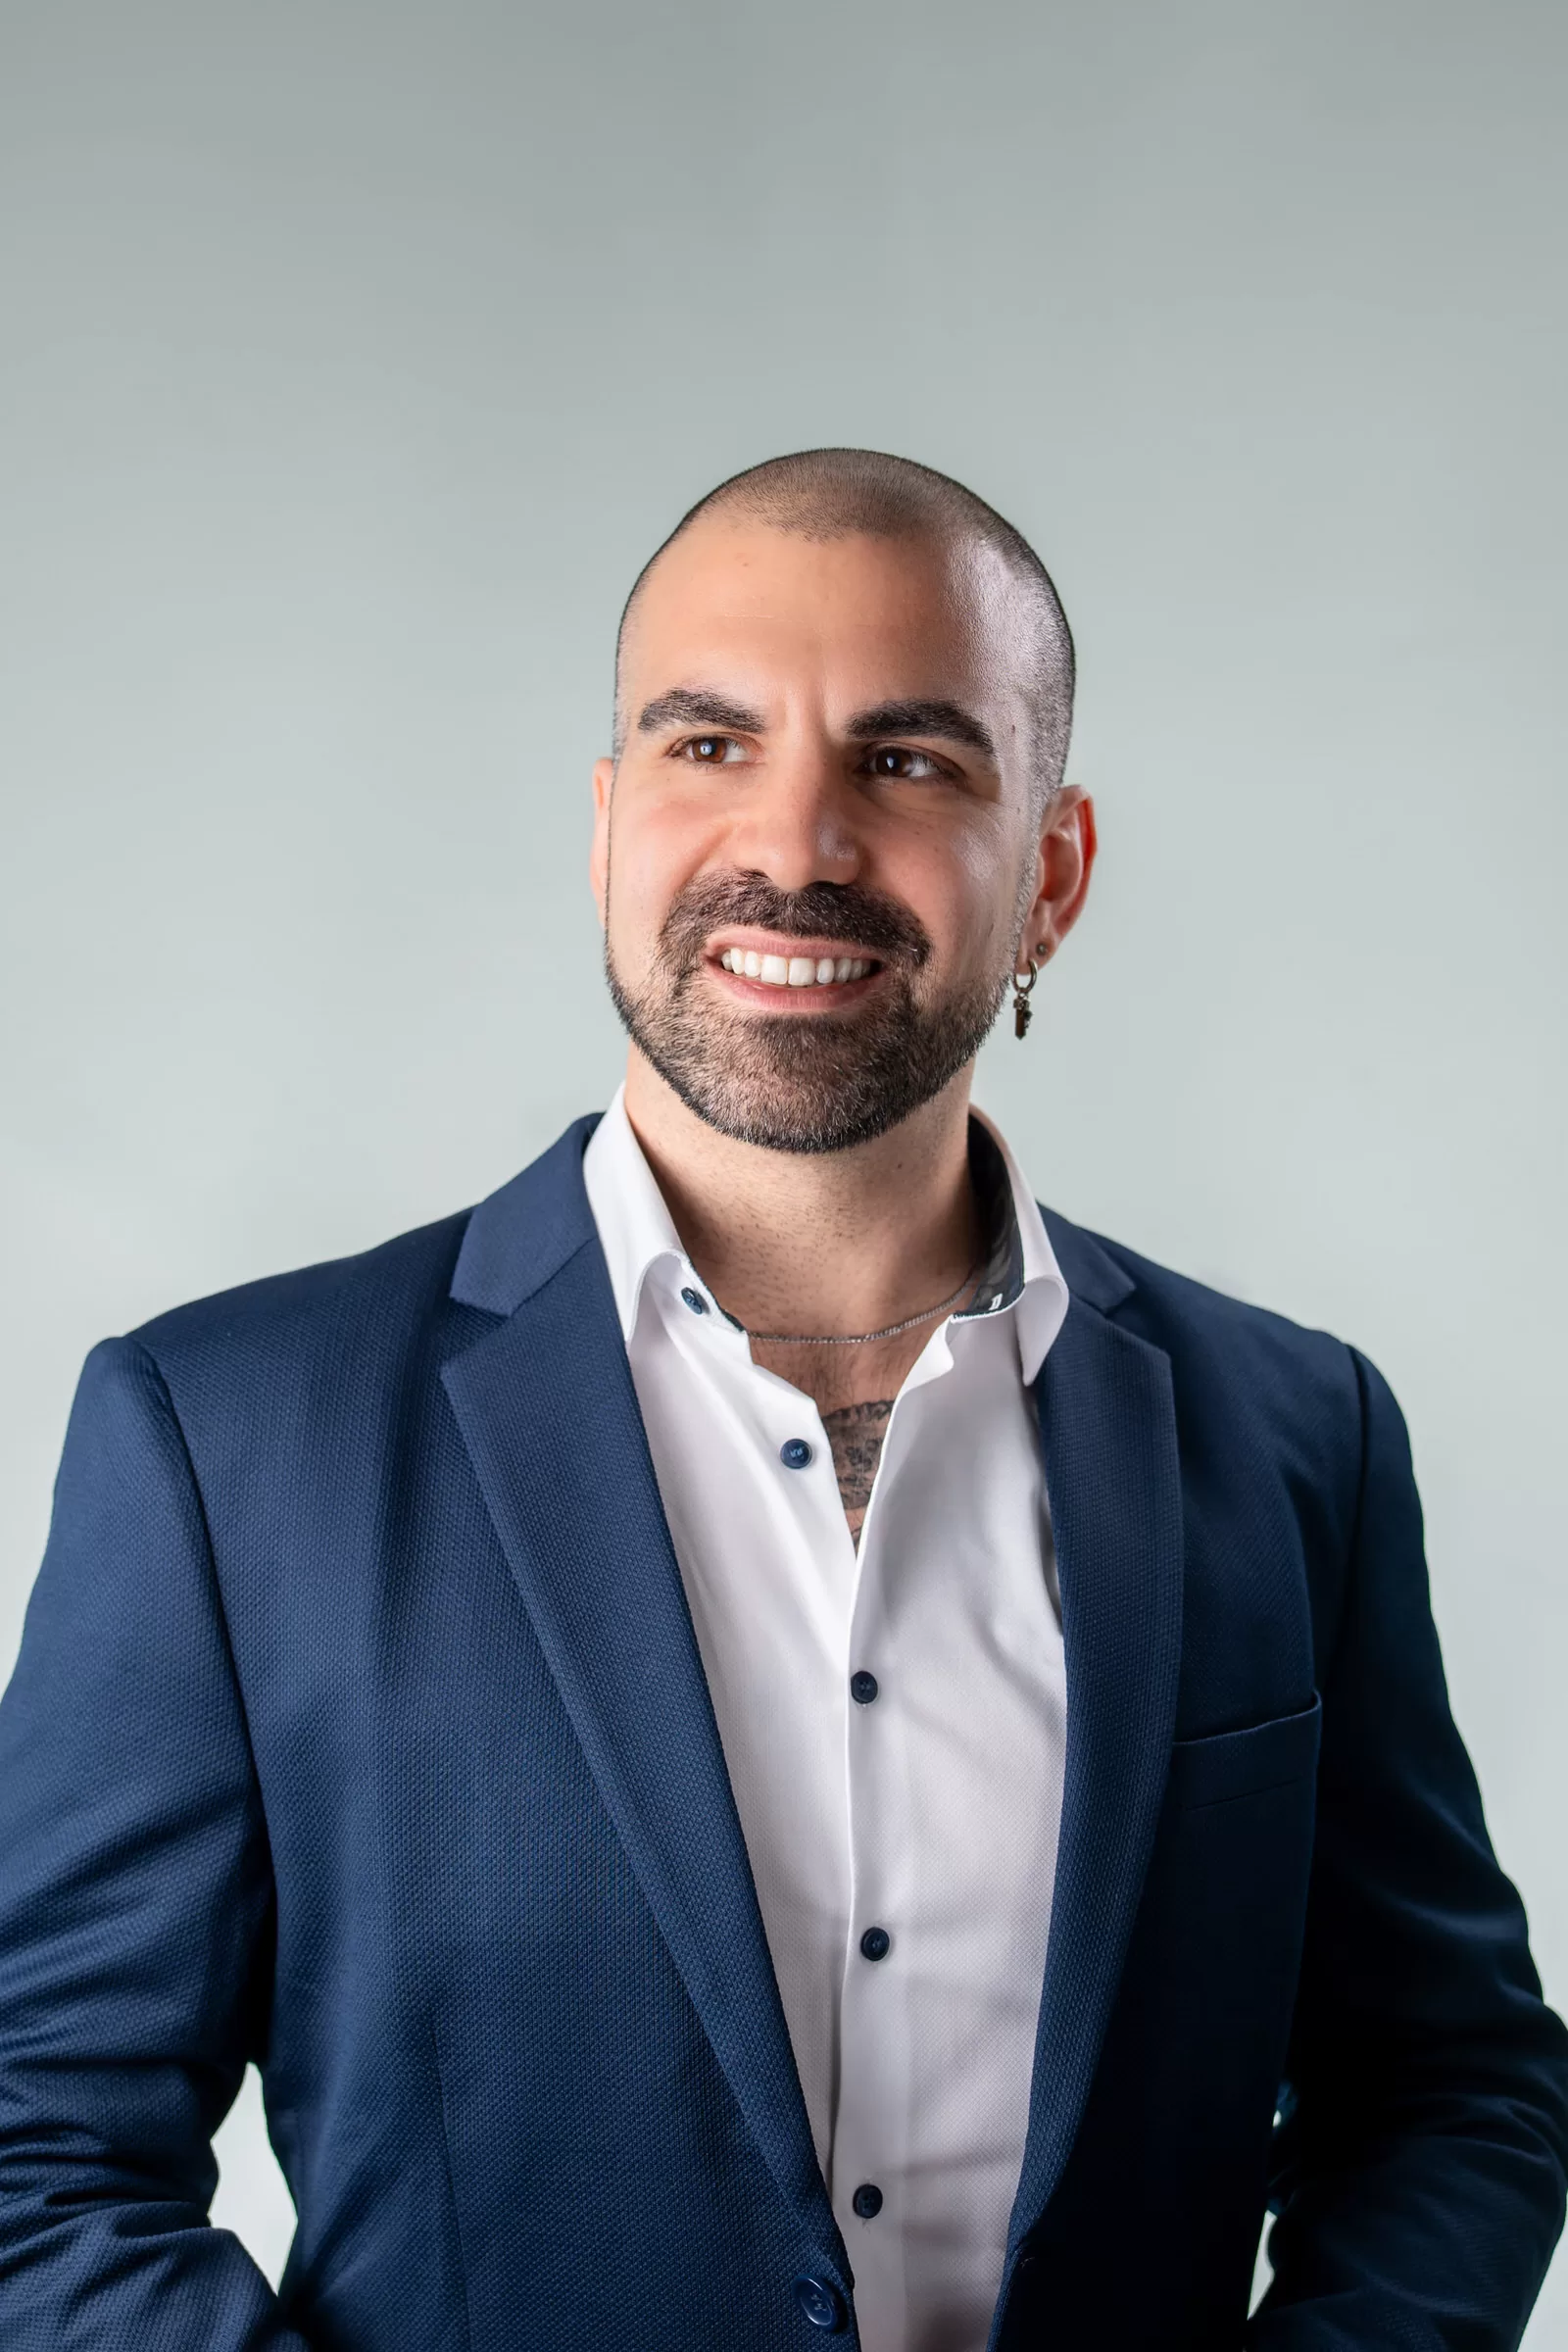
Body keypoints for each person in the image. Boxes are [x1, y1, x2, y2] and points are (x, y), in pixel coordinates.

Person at [0, 449, 1563, 2352]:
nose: (800, 842)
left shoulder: (1290, 1440)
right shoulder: (226, 1442)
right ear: (604, 828)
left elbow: (1449, 2094)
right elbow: (36, 2153)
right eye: (707, 744)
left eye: (907, 760)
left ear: (1049, 874)